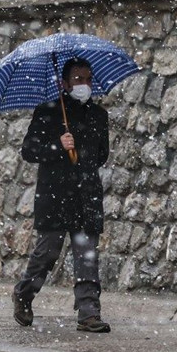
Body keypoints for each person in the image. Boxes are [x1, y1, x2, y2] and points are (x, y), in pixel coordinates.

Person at [12, 57, 111, 333]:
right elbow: (29, 150)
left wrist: (82, 152)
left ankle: (89, 312)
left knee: (87, 255)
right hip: (55, 194)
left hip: (86, 194)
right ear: (64, 83)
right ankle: (23, 294)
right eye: (78, 79)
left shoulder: (98, 115)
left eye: (89, 79)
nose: (85, 85)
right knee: (47, 253)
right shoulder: (48, 112)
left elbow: (101, 155)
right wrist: (58, 145)